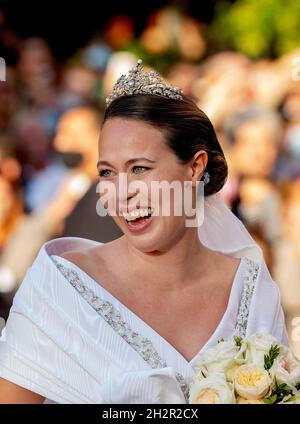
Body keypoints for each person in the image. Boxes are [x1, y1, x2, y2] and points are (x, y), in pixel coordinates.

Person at [0, 59, 288, 404]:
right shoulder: (59, 286)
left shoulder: (253, 291)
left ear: (195, 167)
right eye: (107, 173)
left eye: (139, 169)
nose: (121, 193)